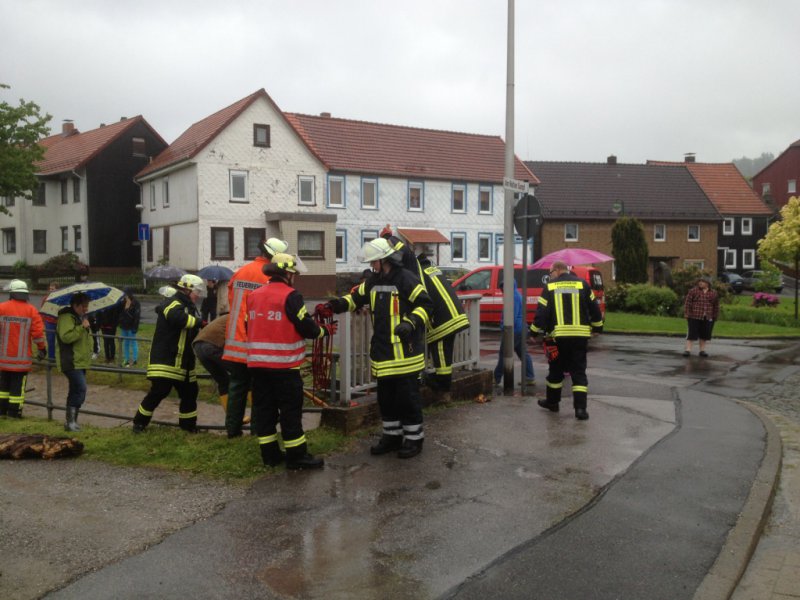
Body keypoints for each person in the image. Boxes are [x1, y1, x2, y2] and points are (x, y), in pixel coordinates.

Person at [327, 238, 433, 458]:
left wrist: (411, 322)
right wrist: (337, 305)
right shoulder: (373, 281)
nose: (372, 266)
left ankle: (414, 439)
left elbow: (426, 304)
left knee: (407, 399)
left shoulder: (406, 279)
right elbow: (356, 298)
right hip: (383, 353)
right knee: (386, 399)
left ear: (385, 259)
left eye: (374, 261)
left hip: (406, 353)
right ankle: (392, 437)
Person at [247, 254, 337, 469]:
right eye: (294, 274)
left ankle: (270, 456)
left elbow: (248, 326)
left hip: (257, 366)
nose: (295, 277)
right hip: (284, 367)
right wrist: (325, 330)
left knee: (265, 411)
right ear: (287, 273)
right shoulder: (291, 296)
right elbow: (307, 328)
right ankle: (297, 457)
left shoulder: (254, 295)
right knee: (290, 412)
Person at [222, 237, 288, 438]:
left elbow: (232, 301)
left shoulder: (241, 272)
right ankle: (257, 431)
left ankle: (232, 431)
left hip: (234, 341)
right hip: (256, 342)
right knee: (260, 390)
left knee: (236, 388)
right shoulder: (268, 276)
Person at [529, 261, 603, 420]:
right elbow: (594, 309)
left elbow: (541, 313)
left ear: (556, 270)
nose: (550, 276)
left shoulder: (550, 287)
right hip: (580, 338)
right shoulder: (583, 285)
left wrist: (533, 332)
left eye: (550, 273)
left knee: (555, 371)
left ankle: (553, 403)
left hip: (557, 338)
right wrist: (597, 328)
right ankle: (581, 410)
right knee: (578, 372)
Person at [132, 274, 204, 433]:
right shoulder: (173, 303)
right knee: (159, 391)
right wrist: (200, 323)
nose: (198, 295)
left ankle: (188, 427)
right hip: (167, 359)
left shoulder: (189, 306)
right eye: (197, 291)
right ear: (187, 289)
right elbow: (178, 318)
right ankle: (139, 423)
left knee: (190, 392)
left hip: (183, 361)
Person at [416, 254, 470, 401]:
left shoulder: (420, 273)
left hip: (442, 322)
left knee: (441, 360)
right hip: (454, 316)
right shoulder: (432, 269)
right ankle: (442, 389)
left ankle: (443, 392)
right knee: (445, 358)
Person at [0, 280, 46, 419]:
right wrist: (42, 349)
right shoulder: (31, 310)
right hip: (21, 361)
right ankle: (14, 414)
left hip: (3, 359)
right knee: (17, 389)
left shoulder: (2, 308)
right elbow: (38, 334)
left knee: (3, 388)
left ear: (12, 294)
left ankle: (1, 412)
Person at [55, 292, 92, 431]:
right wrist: (82, 327)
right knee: (80, 388)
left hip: (79, 361)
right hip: (70, 360)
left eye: (87, 306)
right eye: (84, 306)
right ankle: (70, 422)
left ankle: (71, 422)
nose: (86, 309)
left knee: (76, 390)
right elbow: (66, 337)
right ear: (75, 305)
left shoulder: (78, 317)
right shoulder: (66, 318)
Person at [494, 278, 535, 387]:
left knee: (504, 354)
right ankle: (529, 377)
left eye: (503, 288)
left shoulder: (513, 297)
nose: (502, 291)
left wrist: (504, 327)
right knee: (523, 353)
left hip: (514, 330)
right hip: (521, 329)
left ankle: (496, 378)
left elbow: (511, 316)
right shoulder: (516, 295)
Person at [192, 313, 232, 413]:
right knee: (243, 374)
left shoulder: (226, 317)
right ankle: (256, 412)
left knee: (223, 380)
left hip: (198, 346)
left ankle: (230, 415)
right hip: (213, 346)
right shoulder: (240, 318)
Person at [683, 276, 719, 358]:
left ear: (708, 283)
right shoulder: (693, 291)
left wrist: (715, 316)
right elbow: (687, 303)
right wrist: (687, 313)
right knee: (691, 333)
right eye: (700, 281)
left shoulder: (713, 293)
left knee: (704, 334)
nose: (700, 283)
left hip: (708, 316)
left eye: (703, 281)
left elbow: (716, 305)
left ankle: (702, 351)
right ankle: (688, 350)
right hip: (694, 316)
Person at [118, 288, 141, 367]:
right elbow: (120, 314)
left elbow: (137, 317)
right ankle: (126, 359)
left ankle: (134, 360)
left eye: (126, 294)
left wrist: (135, 327)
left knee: (133, 342)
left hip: (131, 327)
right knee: (126, 343)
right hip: (124, 326)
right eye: (124, 294)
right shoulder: (122, 302)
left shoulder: (136, 303)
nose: (125, 296)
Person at [40, 281, 59, 360]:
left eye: (53, 289)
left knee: (62, 341)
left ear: (57, 290)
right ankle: (51, 358)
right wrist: (42, 321)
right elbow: (42, 311)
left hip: (58, 322)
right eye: (50, 288)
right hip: (49, 322)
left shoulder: (60, 299)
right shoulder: (46, 298)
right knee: (50, 340)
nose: (51, 290)